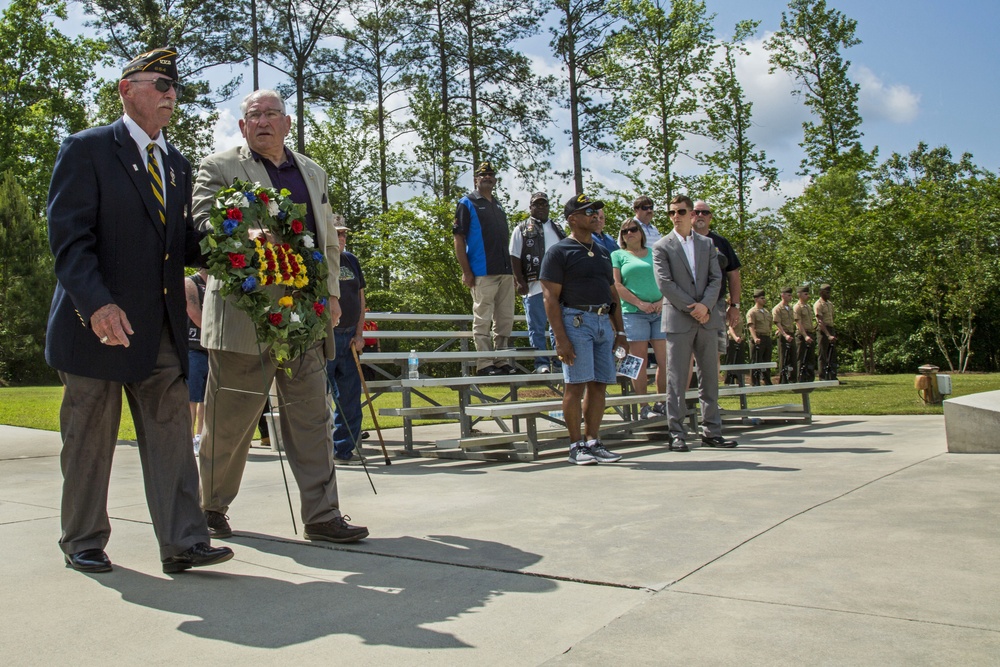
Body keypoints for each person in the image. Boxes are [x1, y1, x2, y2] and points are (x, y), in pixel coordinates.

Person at [45, 48, 233, 574]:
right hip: (97, 329)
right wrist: (97, 304)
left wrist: (235, 242)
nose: (172, 94)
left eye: (175, 87)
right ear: (127, 89)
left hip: (160, 331)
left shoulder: (175, 163)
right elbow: (69, 240)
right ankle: (83, 539)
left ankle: (185, 542)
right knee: (90, 440)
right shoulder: (87, 149)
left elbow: (180, 245)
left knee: (172, 437)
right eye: (160, 84)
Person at [193, 89, 368, 544]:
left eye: (272, 113)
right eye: (255, 114)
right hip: (243, 316)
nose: (264, 121)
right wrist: (235, 228)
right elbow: (203, 222)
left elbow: (329, 242)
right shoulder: (219, 166)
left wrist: (331, 295)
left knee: (311, 419)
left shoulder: (312, 171)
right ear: (242, 125)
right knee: (230, 425)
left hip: (305, 319)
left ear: (288, 122)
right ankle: (209, 508)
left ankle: (322, 516)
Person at [540, 193, 627, 465]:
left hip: (603, 322)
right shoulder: (559, 251)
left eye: (595, 211)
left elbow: (613, 295)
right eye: (588, 212)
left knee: (600, 385)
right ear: (572, 219)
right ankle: (576, 445)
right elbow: (549, 298)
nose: (594, 216)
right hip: (575, 322)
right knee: (575, 386)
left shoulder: (603, 251)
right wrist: (560, 338)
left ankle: (593, 441)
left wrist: (620, 331)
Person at [653, 195, 737, 451]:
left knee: (710, 378)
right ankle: (677, 433)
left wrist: (706, 306)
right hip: (679, 319)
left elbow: (716, 279)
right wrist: (694, 307)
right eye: (671, 212)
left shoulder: (707, 244)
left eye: (680, 211)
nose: (675, 216)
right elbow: (665, 284)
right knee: (677, 381)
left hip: (708, 319)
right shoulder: (662, 246)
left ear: (692, 214)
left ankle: (712, 431)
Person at [453, 162, 515, 376]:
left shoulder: (498, 205)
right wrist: (466, 270)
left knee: (505, 318)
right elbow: (458, 238)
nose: (487, 177)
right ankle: (485, 362)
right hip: (481, 270)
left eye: (491, 174)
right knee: (483, 318)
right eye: (483, 175)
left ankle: (502, 359)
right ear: (475, 180)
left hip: (505, 271)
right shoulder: (467, 203)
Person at [611, 220, 666, 419]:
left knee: (664, 360)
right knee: (636, 361)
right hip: (633, 312)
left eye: (633, 229)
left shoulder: (655, 252)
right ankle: (643, 406)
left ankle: (662, 402)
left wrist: (662, 300)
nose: (629, 233)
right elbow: (616, 285)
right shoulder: (617, 255)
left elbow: (666, 279)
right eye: (624, 231)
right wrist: (639, 303)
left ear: (641, 232)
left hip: (659, 311)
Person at [325, 221, 367, 465]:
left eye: (343, 235)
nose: (342, 238)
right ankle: (319, 451)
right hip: (327, 337)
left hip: (350, 337)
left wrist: (360, 334)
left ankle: (343, 451)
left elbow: (361, 298)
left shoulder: (351, 260)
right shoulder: (319, 260)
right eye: (337, 234)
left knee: (350, 399)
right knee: (319, 398)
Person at [509, 192, 564, 374]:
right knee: (537, 325)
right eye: (537, 204)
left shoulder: (557, 228)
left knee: (558, 324)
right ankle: (541, 362)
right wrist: (519, 281)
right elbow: (514, 256)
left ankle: (559, 361)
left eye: (544, 204)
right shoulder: (522, 228)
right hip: (534, 284)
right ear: (530, 207)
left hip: (558, 285)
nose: (541, 207)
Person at [691, 200, 742, 355]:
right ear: (690, 215)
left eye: (704, 212)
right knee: (686, 353)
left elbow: (733, 275)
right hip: (688, 304)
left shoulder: (721, 242)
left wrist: (734, 306)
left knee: (714, 352)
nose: (700, 215)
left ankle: (710, 381)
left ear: (710, 217)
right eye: (696, 212)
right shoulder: (682, 240)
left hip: (716, 304)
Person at [185, 267, 209, 453]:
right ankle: (188, 437)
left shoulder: (218, 284)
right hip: (194, 347)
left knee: (207, 399)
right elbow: (193, 312)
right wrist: (213, 334)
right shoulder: (191, 282)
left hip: (210, 350)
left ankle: (201, 436)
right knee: (191, 398)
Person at [746, 289, 774, 386]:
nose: (764, 300)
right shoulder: (752, 312)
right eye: (762, 298)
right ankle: (755, 381)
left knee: (767, 360)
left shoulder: (766, 312)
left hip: (766, 337)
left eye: (764, 298)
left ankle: (767, 380)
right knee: (756, 361)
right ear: (756, 299)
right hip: (758, 338)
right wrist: (754, 338)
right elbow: (751, 326)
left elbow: (770, 324)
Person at [772, 287, 797, 384]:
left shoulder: (790, 308)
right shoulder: (777, 308)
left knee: (793, 356)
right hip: (784, 334)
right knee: (783, 356)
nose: (790, 297)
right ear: (782, 295)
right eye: (788, 295)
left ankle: (793, 378)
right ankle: (783, 379)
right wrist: (784, 334)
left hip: (791, 333)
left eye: (791, 295)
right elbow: (777, 323)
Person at [793, 285, 818, 382]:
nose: (808, 296)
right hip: (802, 335)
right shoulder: (797, 307)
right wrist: (805, 335)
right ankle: (800, 378)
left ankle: (810, 378)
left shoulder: (808, 307)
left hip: (810, 333)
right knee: (801, 357)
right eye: (806, 294)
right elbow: (798, 323)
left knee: (810, 358)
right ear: (799, 295)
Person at [815, 283, 838, 381]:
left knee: (832, 354)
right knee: (823, 355)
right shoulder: (818, 304)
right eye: (827, 293)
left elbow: (832, 317)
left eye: (830, 292)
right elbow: (820, 321)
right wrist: (828, 335)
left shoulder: (830, 304)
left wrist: (832, 332)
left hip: (830, 328)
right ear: (821, 292)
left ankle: (832, 376)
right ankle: (822, 377)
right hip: (823, 331)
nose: (829, 295)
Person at [724, 320, 747, 385]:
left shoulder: (739, 314)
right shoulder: (730, 313)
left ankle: (740, 381)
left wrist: (742, 336)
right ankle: (728, 382)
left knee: (740, 361)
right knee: (731, 361)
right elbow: (730, 327)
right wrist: (735, 337)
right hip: (731, 340)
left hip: (740, 340)